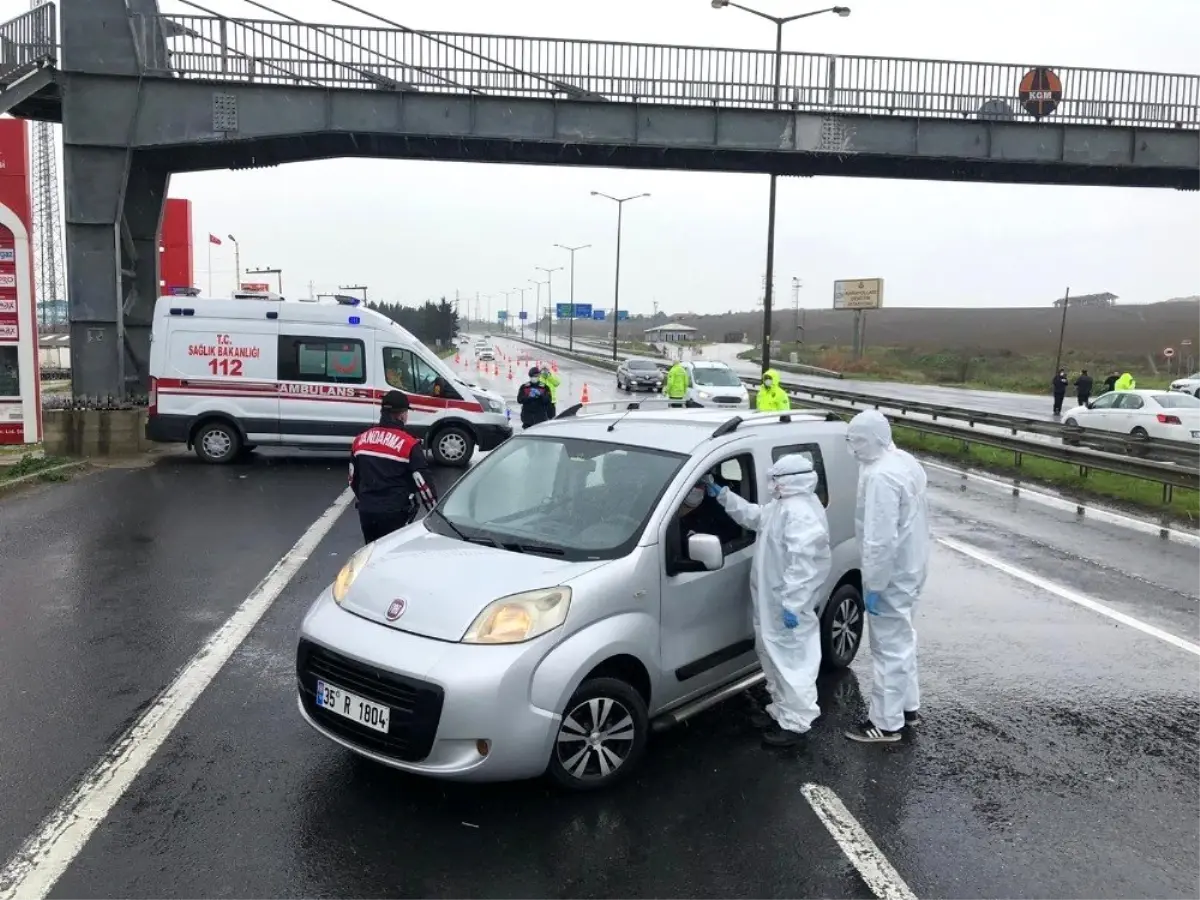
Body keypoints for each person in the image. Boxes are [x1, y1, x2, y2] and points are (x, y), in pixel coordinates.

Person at [706, 454, 832, 748]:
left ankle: (797, 722)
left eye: (775, 479)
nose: (771, 484)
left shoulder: (800, 512)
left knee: (792, 662)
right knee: (773, 656)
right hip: (774, 600)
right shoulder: (782, 506)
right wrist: (723, 495)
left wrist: (792, 603)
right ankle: (780, 710)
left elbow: (804, 564)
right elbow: (755, 517)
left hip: (786, 604)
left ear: (788, 480)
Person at [843, 410, 930, 744]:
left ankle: (886, 723)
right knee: (903, 639)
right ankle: (908, 707)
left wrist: (875, 586)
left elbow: (880, 540)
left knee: (888, 647)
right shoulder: (904, 461)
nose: (853, 448)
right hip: (911, 566)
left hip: (891, 574)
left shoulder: (881, 476)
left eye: (858, 441)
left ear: (875, 439)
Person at [350, 391, 438, 545]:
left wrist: (365, 498)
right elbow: (423, 485)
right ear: (402, 415)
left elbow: (352, 478)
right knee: (391, 553)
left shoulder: (360, 440)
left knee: (371, 552)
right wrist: (435, 513)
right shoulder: (409, 444)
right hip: (395, 512)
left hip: (367, 510)